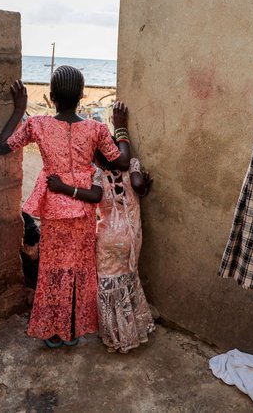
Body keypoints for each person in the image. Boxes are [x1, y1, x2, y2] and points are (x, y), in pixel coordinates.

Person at [0, 67, 130, 348]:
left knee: (53, 270)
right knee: (80, 269)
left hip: (54, 210)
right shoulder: (97, 129)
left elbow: (3, 146)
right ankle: (74, 329)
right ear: (82, 96)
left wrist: (19, 109)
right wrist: (121, 126)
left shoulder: (38, 125)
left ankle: (53, 331)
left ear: (51, 96)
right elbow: (121, 162)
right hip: (83, 210)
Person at [94, 113, 156, 354]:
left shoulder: (97, 175)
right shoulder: (131, 166)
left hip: (108, 236)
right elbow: (139, 186)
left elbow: (95, 198)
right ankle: (135, 330)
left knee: (109, 285)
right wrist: (144, 186)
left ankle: (115, 336)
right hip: (132, 235)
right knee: (129, 279)